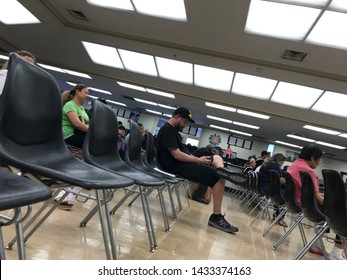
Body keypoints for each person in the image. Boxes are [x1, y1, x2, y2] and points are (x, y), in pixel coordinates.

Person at [156, 107, 238, 234]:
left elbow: (182, 153)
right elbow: (177, 155)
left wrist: (198, 159)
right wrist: (198, 161)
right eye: (184, 121)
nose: (185, 124)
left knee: (215, 156)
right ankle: (216, 216)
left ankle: (221, 169)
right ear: (177, 117)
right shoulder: (167, 130)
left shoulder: (174, 132)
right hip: (175, 166)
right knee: (218, 177)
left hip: (182, 163)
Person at [288, 143, 346, 260]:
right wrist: (336, 202)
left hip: (300, 204)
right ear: (313, 158)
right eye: (319, 159)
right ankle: (336, 252)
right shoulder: (308, 170)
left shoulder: (294, 165)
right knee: (342, 215)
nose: (319, 162)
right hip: (309, 207)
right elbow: (319, 200)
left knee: (334, 211)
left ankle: (317, 245)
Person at [258, 153, 288, 227]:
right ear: (279, 160)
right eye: (282, 162)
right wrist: (285, 181)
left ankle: (277, 215)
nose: (282, 164)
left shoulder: (266, 164)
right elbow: (279, 180)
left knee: (282, 192)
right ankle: (279, 218)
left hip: (262, 186)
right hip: (268, 189)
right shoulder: (275, 166)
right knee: (287, 195)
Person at [62, 84, 89, 148]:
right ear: (77, 91)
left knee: (96, 140)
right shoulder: (70, 105)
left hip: (79, 133)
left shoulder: (81, 108)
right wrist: (92, 131)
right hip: (69, 135)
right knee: (92, 142)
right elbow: (77, 124)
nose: (87, 95)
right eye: (85, 93)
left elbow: (84, 123)